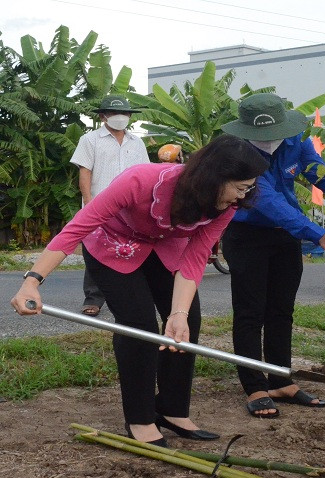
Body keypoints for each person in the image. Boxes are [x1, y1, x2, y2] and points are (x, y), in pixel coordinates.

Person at [10, 135, 269, 446]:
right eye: (241, 187)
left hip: (163, 248)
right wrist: (32, 281)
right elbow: (79, 226)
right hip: (113, 244)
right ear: (214, 177)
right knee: (139, 326)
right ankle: (141, 419)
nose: (244, 196)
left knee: (186, 323)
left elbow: (196, 255)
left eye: (248, 188)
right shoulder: (141, 180)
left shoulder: (223, 207)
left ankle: (172, 409)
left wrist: (178, 313)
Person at [220, 93, 325, 419]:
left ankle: (281, 379)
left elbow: (316, 169)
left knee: (281, 310)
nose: (270, 138)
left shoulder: (294, 139)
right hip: (247, 236)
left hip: (285, 237)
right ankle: (255, 385)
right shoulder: (236, 153)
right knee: (250, 311)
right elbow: (267, 200)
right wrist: (319, 234)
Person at [71, 94, 150, 317]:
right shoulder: (90, 140)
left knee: (133, 249)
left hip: (131, 208)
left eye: (124, 113)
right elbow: (84, 171)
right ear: (103, 116)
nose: (120, 117)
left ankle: (133, 296)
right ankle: (93, 299)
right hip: (99, 205)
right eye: (115, 113)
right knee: (95, 250)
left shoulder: (137, 142)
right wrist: (88, 203)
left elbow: (144, 174)